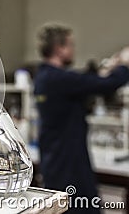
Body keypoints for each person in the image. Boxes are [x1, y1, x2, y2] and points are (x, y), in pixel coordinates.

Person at [33, 23, 129, 213]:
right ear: (60, 49)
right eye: (70, 45)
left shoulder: (45, 77)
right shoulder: (60, 79)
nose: (73, 50)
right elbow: (106, 84)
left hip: (55, 161)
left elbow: (84, 83)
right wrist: (125, 65)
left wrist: (109, 68)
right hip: (70, 164)